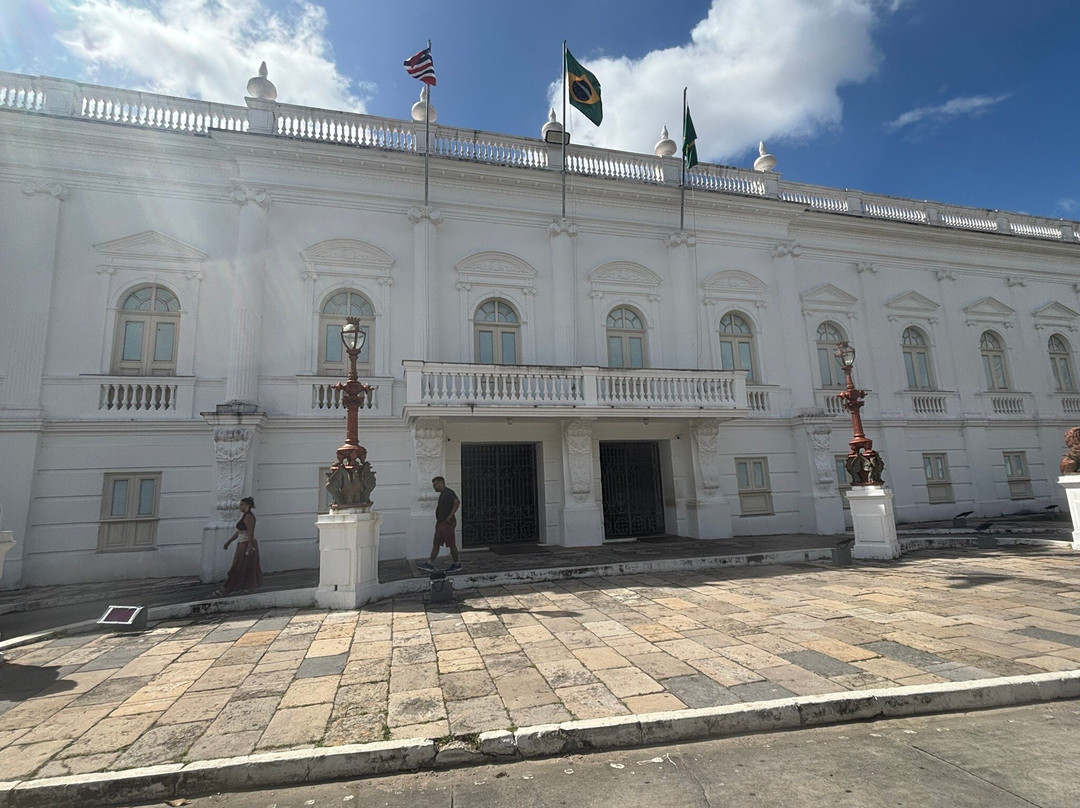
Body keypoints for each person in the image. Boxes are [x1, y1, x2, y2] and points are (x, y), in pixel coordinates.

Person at [216, 496, 263, 595]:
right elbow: (239, 531)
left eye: (242, 505)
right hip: (242, 543)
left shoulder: (249, 516)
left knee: (240, 566)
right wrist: (229, 541)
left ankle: (229, 588)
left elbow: (250, 532)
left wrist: (250, 546)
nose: (240, 507)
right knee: (241, 566)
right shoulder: (244, 516)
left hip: (246, 543)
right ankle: (239, 587)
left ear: (247, 505)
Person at [418, 477, 461, 573]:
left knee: (451, 544)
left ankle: (457, 563)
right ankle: (429, 563)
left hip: (446, 524)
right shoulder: (443, 494)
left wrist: (450, 516)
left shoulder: (449, 492)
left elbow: (456, 502)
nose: (434, 487)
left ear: (441, 483)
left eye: (435, 484)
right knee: (436, 543)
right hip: (441, 523)